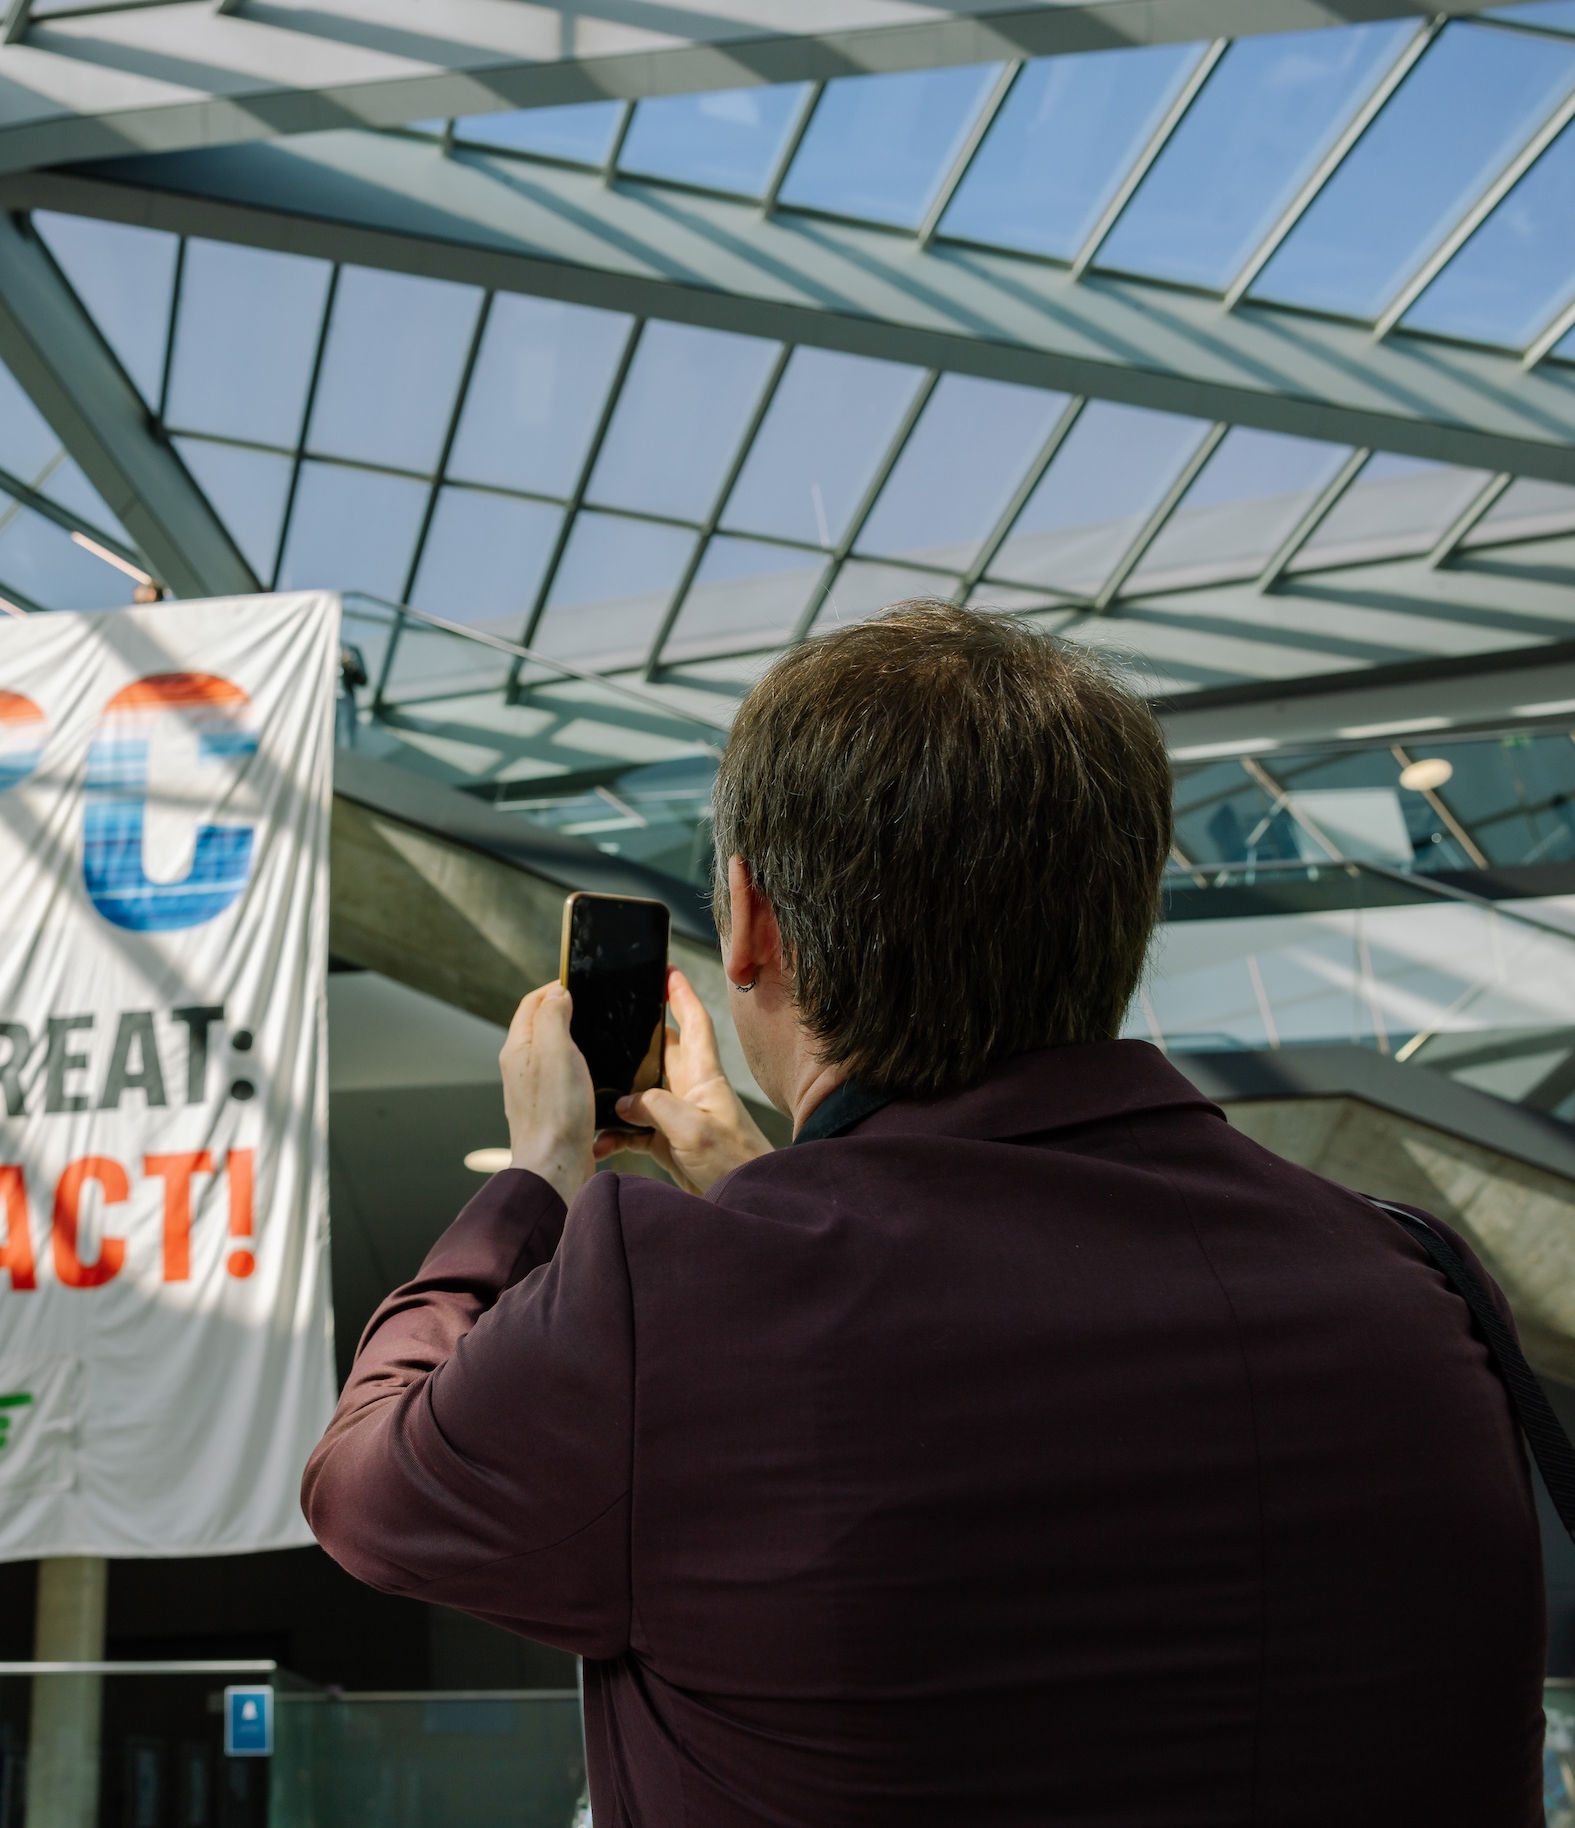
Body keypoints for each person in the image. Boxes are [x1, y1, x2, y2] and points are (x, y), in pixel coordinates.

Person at [304, 604, 1541, 1824]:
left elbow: (365, 1485)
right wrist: (754, 1180)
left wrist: (539, 1173)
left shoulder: (667, 1310)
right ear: (1123, 915)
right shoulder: (1419, 1285)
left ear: (751, 923)